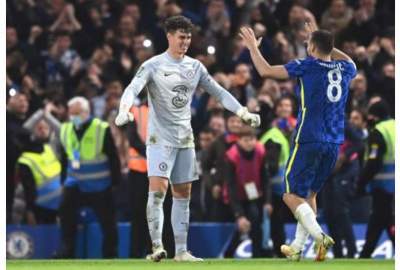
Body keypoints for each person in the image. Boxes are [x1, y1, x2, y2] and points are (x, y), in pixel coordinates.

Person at [115, 15, 260, 262]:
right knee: (158, 191)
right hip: (159, 139)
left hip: (185, 140)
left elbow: (219, 91)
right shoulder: (153, 65)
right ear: (169, 36)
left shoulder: (195, 67)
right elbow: (132, 88)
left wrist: (242, 111)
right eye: (181, 37)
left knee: (183, 194)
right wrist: (123, 110)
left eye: (189, 37)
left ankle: (181, 251)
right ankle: (157, 247)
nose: (185, 42)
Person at [239, 21, 357, 261]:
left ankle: (319, 236)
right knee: (310, 194)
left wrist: (252, 47)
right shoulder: (346, 69)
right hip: (334, 143)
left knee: (290, 195)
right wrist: (322, 41)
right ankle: (297, 247)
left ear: (312, 47)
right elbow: (351, 60)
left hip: (309, 138)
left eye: (308, 44)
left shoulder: (307, 66)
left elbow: (266, 71)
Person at [57, 97, 121, 258]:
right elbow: (65, 157)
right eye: (71, 113)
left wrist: (115, 182)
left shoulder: (100, 128)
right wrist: (63, 180)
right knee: (66, 216)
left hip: (100, 185)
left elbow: (113, 157)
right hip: (75, 184)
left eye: (77, 113)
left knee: (108, 224)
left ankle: (110, 255)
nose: (73, 116)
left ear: (87, 112)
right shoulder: (65, 129)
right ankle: (67, 252)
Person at [223, 126, 271, 258]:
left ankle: (257, 255)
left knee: (255, 221)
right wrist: (239, 214)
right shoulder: (231, 156)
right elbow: (231, 187)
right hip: (235, 196)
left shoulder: (260, 151)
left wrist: (267, 201)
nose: (250, 143)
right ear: (238, 140)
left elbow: (265, 178)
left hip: (253, 194)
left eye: (252, 139)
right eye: (246, 140)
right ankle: (228, 253)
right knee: (243, 225)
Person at [356, 100, 395, 258]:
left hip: (383, 184)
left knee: (383, 218)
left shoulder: (378, 131)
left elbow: (374, 162)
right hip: (393, 184)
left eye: (370, 115)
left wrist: (360, 183)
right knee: (379, 218)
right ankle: (365, 254)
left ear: (375, 116)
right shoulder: (394, 126)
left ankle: (365, 254)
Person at [16, 120, 62, 224]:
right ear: (31, 132)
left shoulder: (51, 148)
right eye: (39, 128)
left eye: (46, 128)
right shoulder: (25, 159)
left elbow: (62, 130)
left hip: (61, 201)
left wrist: (46, 114)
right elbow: (29, 188)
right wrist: (30, 210)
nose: (43, 131)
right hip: (42, 205)